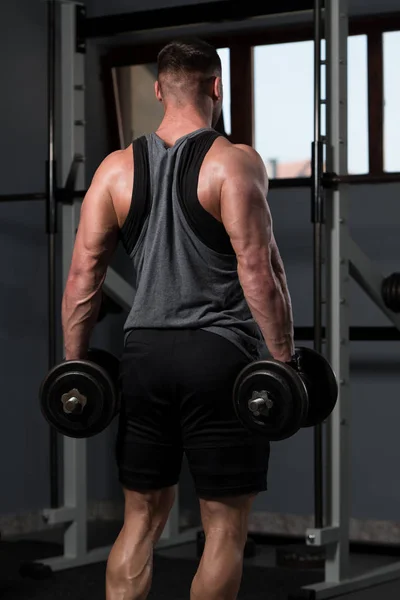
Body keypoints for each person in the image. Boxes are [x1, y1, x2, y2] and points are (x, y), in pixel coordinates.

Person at [61, 37, 295, 600]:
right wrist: (284, 361)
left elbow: (82, 278)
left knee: (140, 518)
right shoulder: (236, 163)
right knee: (223, 526)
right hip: (218, 356)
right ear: (217, 86)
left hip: (142, 357)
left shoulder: (116, 170)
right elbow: (260, 271)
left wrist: (74, 367)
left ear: (160, 90)